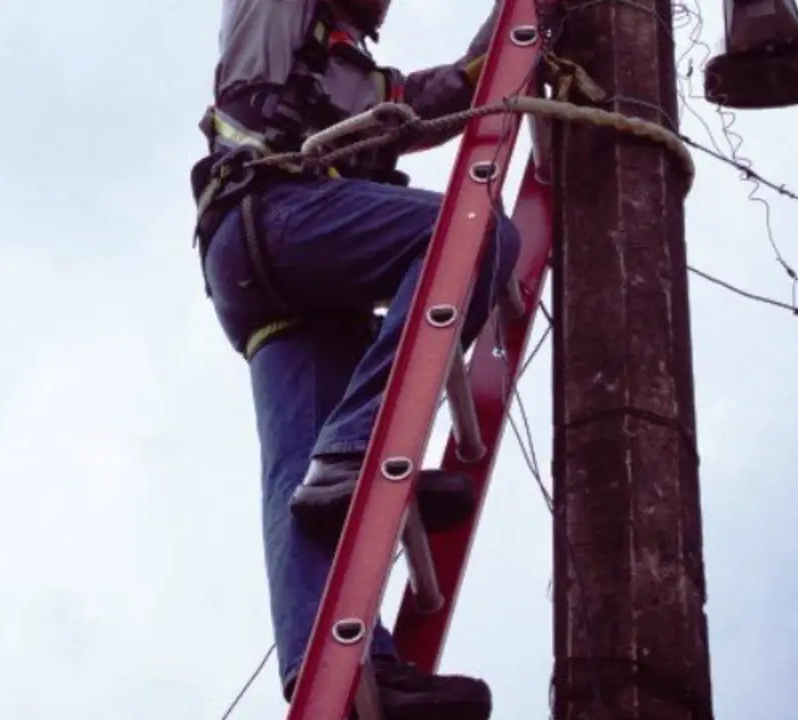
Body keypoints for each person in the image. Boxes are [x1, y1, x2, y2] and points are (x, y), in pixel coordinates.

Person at [189, 0, 520, 716]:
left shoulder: (350, 77)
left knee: (301, 481)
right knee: (468, 234)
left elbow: (455, 90)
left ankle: (343, 679)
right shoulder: (273, 18)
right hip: (276, 216)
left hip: (267, 270)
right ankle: (361, 447)